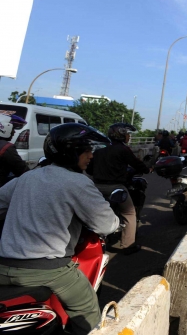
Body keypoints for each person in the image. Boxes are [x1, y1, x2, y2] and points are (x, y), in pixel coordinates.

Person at [0, 123, 119, 335]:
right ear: (71, 152)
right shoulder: (77, 182)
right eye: (86, 150)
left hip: (4, 266)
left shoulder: (26, 177)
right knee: (87, 308)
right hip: (48, 271)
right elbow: (106, 224)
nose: (91, 155)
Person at [87, 123, 151, 255]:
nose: (129, 136)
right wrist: (147, 169)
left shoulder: (99, 150)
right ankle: (128, 245)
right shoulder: (123, 149)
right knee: (129, 213)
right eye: (127, 134)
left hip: (97, 187)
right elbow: (136, 164)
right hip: (115, 188)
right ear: (120, 134)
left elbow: (89, 169)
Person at [0, 114, 29, 188]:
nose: (14, 132)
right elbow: (22, 170)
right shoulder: (7, 147)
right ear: (5, 128)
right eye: (13, 129)